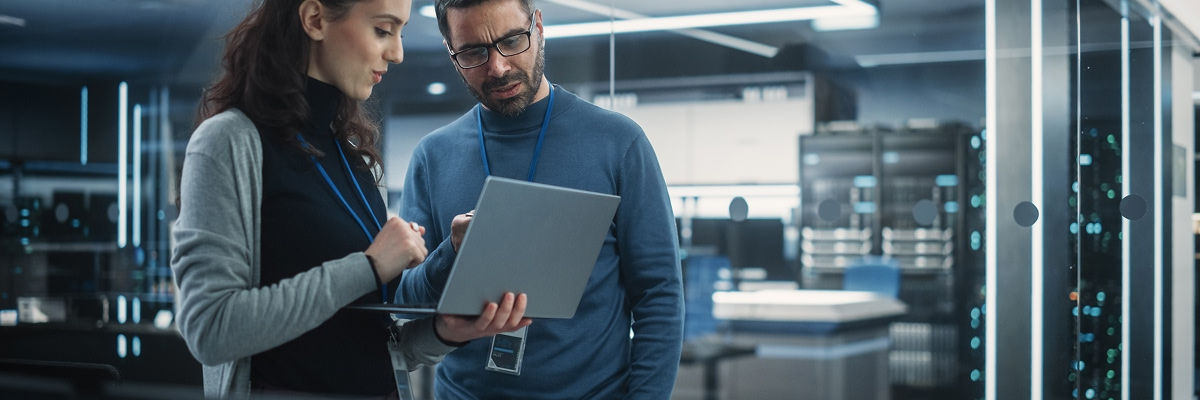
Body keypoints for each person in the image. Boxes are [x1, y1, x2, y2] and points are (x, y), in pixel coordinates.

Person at [170, 0, 530, 397]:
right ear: (315, 19)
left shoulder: (355, 157)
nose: (397, 53)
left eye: (400, 33)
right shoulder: (229, 142)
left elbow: (370, 346)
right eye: (382, 30)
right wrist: (369, 266)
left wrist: (446, 331)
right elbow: (211, 330)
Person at [394, 0, 684, 398]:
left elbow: (659, 295)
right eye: (473, 52)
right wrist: (453, 253)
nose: (497, 67)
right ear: (451, 52)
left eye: (512, 40)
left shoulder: (618, 143)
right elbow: (405, 302)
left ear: (539, 26)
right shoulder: (433, 157)